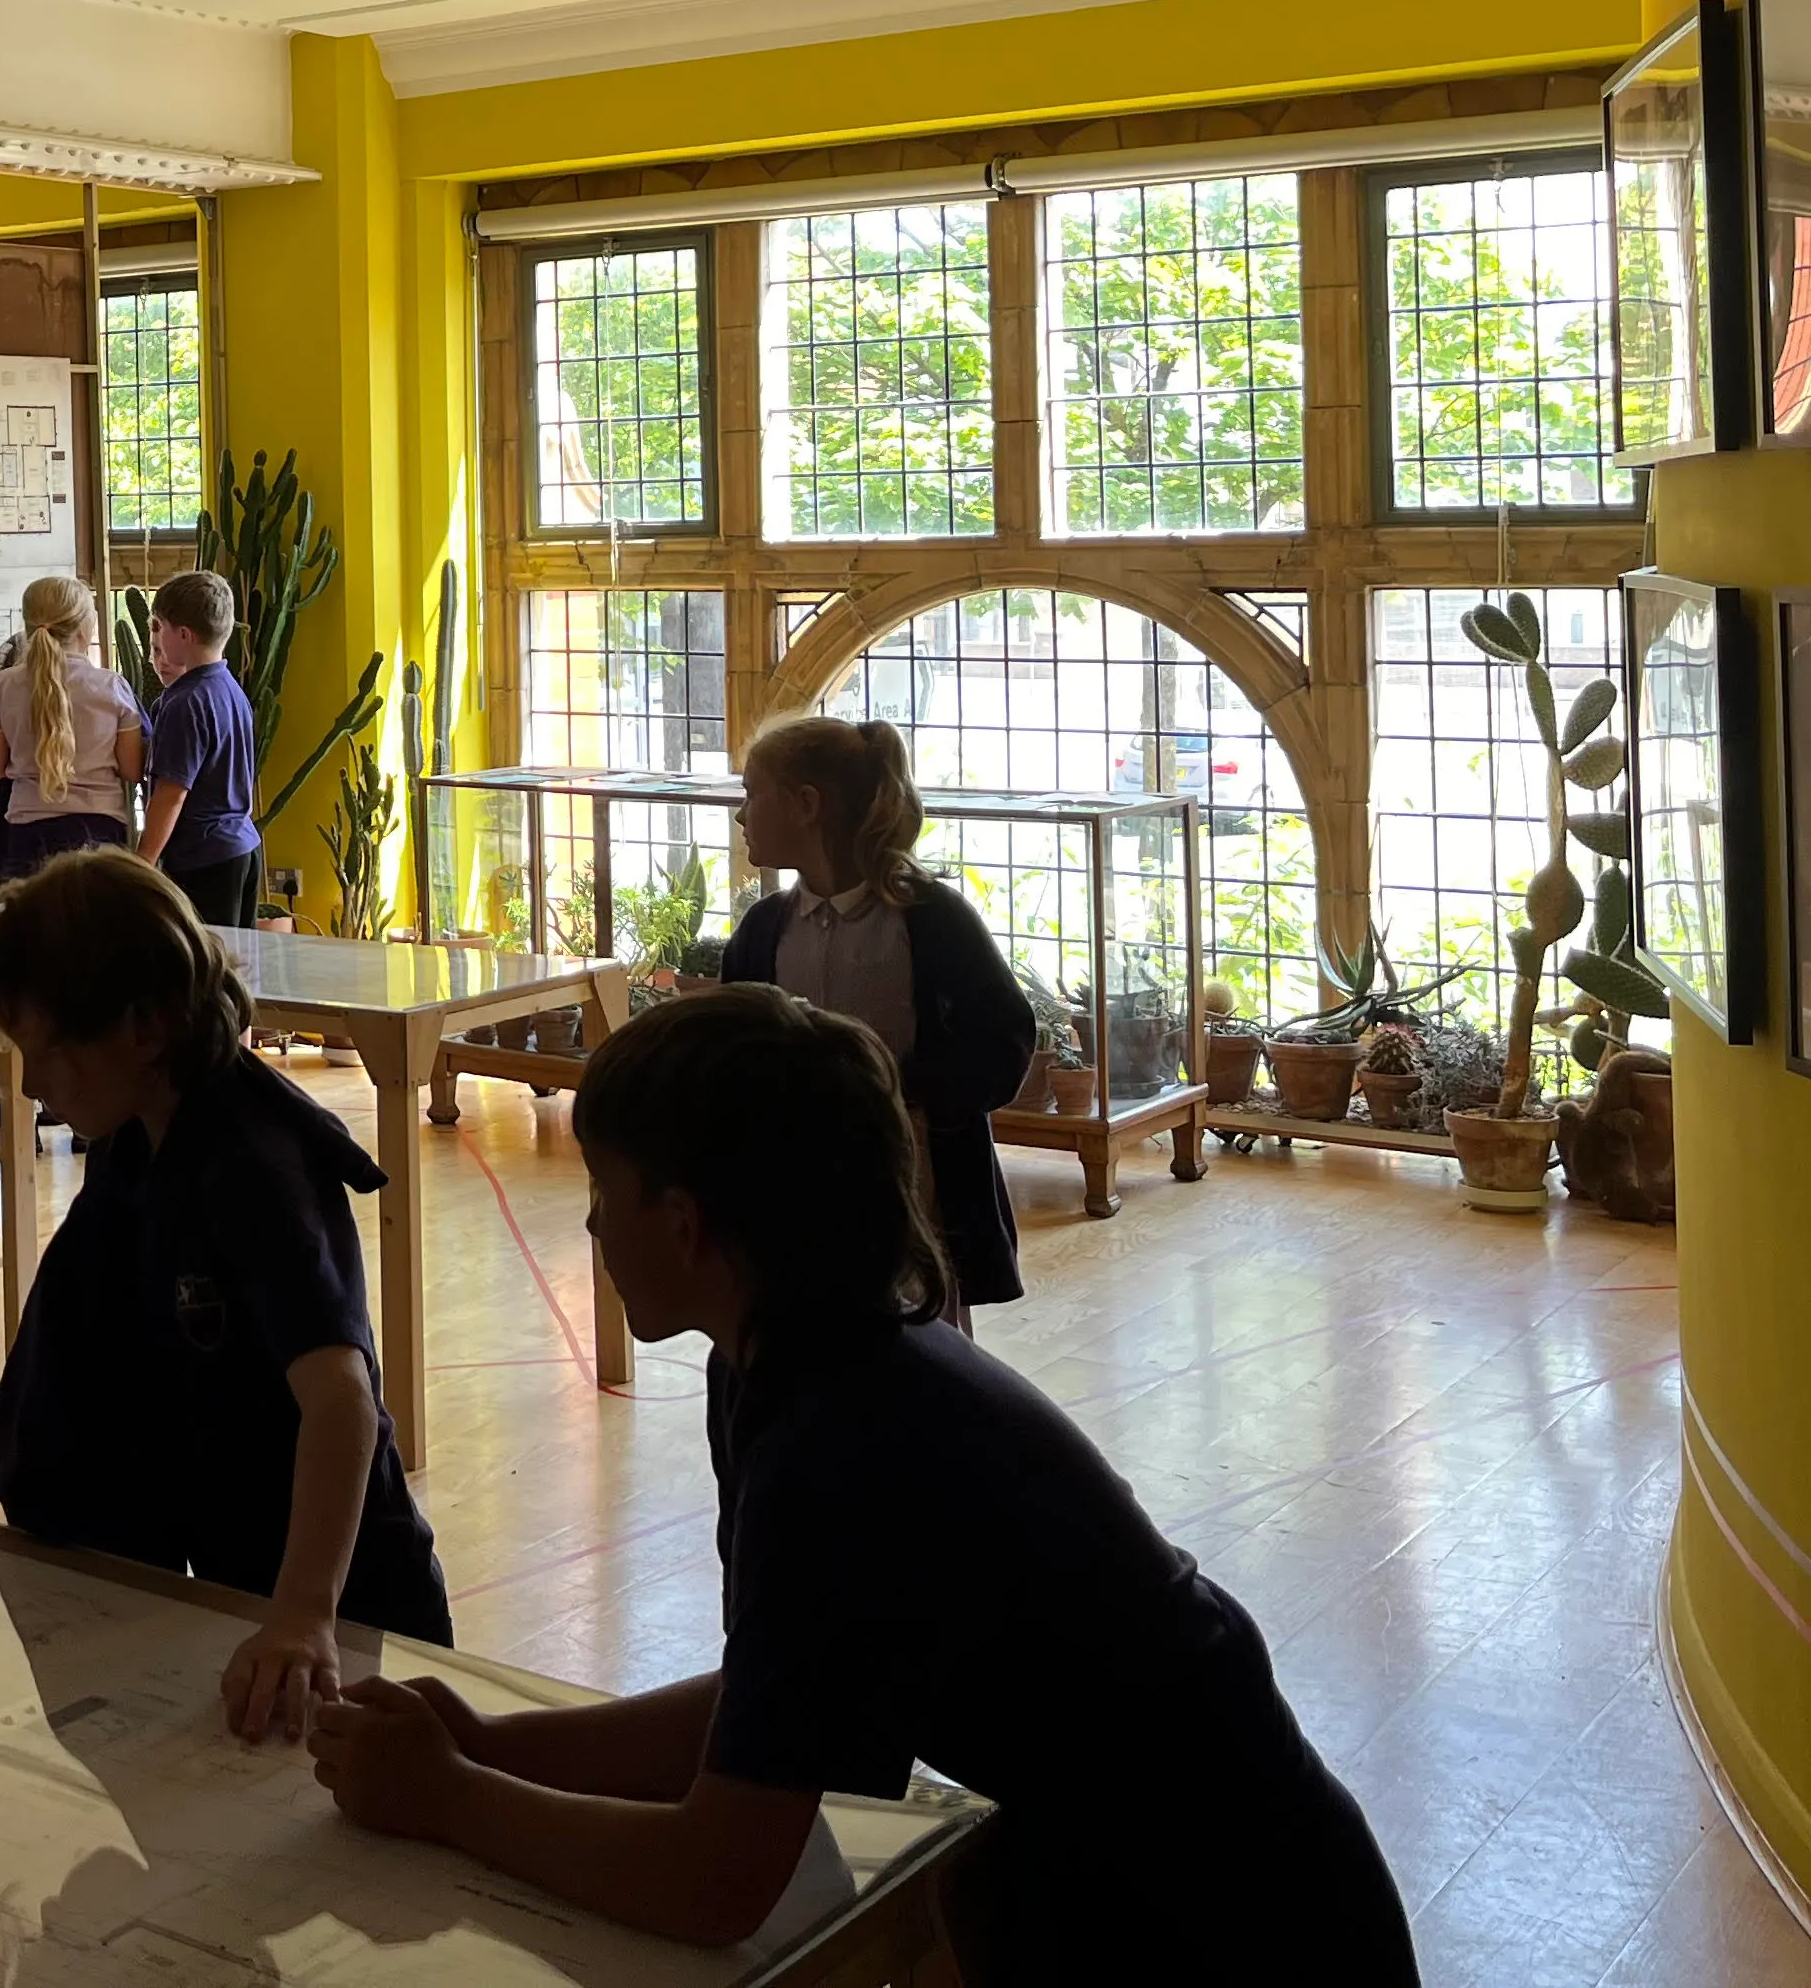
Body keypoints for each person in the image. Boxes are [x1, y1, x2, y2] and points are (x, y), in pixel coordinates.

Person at [311, 988, 1415, 1984]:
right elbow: (780, 1701)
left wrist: (450, 1797)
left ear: (688, 1224)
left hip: (1235, 1934)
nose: (592, 1225)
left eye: (606, 1191)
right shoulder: (782, 1360)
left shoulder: (838, 1443)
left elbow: (716, 1880)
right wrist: (488, 1744)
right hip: (1122, 1878)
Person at [0, 853, 448, 1743]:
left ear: (143, 1028)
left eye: (49, 1054)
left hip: (350, 1608)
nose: (34, 1086)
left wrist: (305, 1612)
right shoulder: (139, 1142)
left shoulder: (253, 1169)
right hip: (238, 1587)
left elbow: (343, 1404)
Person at [705, 713, 1035, 1321]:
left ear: (807, 804)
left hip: (913, 1179)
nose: (740, 813)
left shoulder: (930, 920)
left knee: (919, 1333)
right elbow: (732, 1050)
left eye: (751, 793)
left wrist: (903, 1091)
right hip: (795, 1172)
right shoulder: (763, 929)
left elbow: (1005, 1040)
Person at [0, 575, 142, 885]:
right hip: (100, 831)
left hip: (27, 829)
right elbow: (132, 769)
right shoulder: (112, 687)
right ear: (83, 629)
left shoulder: (0, 687)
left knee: (35, 929)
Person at [133, 571, 261, 929]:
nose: (156, 639)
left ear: (184, 635)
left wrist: (142, 863)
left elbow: (171, 794)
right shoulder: (230, 690)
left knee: (203, 968)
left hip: (203, 859)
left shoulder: (184, 702)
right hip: (243, 847)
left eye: (159, 628)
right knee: (237, 967)